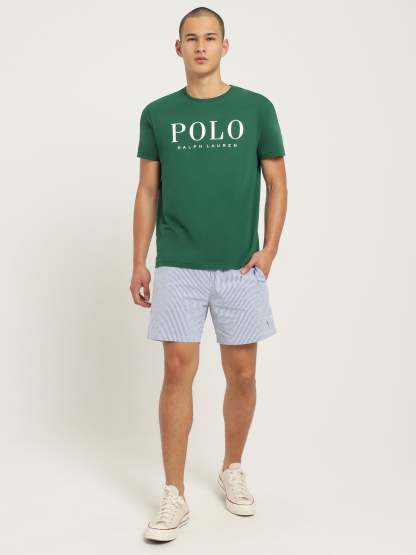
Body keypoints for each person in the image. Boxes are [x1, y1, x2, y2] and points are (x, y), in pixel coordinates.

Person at [130, 6, 288, 542]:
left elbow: (277, 182)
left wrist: (269, 251)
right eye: (192, 39)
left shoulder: (256, 108)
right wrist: (139, 259)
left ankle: (232, 468)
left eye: (211, 38)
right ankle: (174, 493)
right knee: (177, 371)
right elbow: (147, 189)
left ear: (225, 46)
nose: (201, 46)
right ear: (178, 48)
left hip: (240, 265)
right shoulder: (158, 114)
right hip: (178, 264)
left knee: (242, 374)